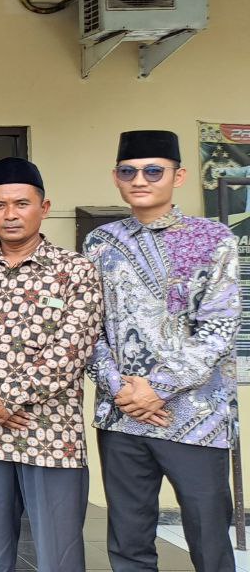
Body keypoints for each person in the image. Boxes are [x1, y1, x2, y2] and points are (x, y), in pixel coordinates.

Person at [86, 130, 240, 572]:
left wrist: (158, 388)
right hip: (122, 417)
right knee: (129, 539)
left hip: (197, 418)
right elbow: (89, 327)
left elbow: (219, 328)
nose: (140, 180)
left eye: (154, 171)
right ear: (116, 177)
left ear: (179, 176)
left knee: (209, 540)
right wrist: (119, 388)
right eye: (129, 171)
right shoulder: (100, 242)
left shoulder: (214, 239)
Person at [0, 157, 102, 572]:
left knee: (59, 557)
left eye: (21, 204)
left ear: (44, 207)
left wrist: (10, 398)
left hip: (51, 437)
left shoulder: (75, 271)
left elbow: (72, 348)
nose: (10, 214)